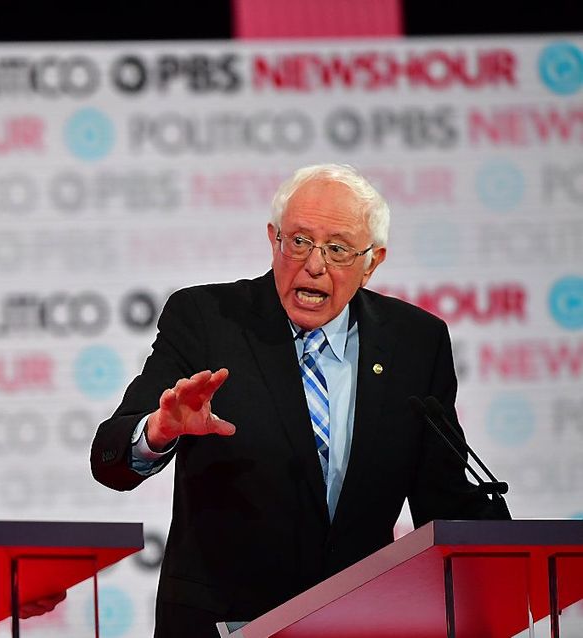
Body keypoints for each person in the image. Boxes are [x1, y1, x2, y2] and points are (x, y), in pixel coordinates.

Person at [90, 164, 509, 637]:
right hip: (223, 623)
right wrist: (157, 432)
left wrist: (509, 556)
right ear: (274, 240)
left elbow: (445, 497)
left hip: (364, 624)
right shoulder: (208, 320)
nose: (314, 264)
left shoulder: (416, 342)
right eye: (300, 241)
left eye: (337, 249)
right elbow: (110, 458)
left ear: (372, 261)